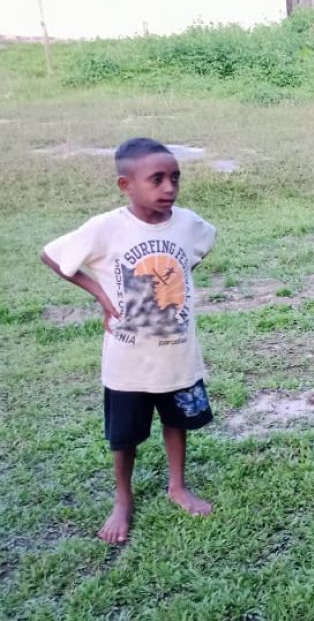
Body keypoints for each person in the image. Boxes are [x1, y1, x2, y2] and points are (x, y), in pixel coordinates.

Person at [41, 137, 217, 545]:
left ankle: (177, 486)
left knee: (177, 421)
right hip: (127, 363)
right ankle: (123, 497)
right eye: (157, 179)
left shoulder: (188, 223)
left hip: (177, 356)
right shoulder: (107, 227)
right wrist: (103, 297)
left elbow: (201, 245)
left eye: (175, 178)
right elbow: (53, 255)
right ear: (126, 185)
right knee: (124, 436)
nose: (169, 188)